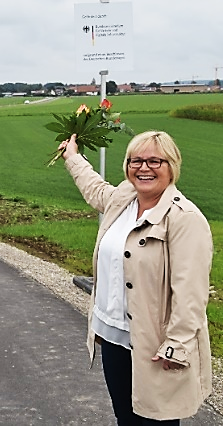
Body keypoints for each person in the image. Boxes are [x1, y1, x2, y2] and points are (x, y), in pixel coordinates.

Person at [60, 131, 212, 425]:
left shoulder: (183, 218)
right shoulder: (124, 199)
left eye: (155, 160)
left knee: (155, 421)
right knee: (125, 419)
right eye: (136, 160)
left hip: (155, 346)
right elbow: (95, 189)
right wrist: (72, 157)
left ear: (172, 165)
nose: (144, 168)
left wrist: (176, 346)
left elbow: (190, 294)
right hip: (113, 337)